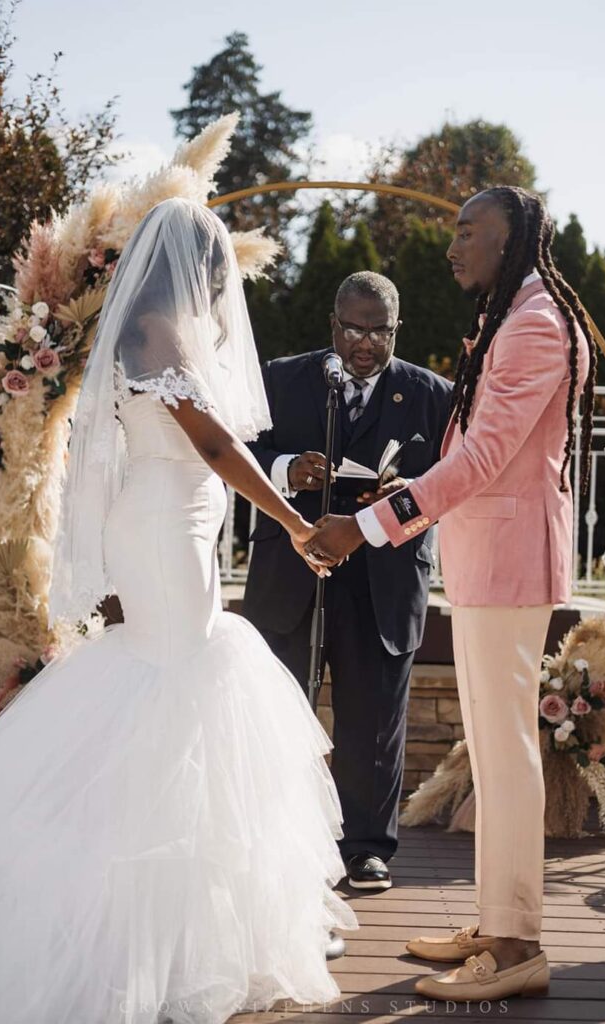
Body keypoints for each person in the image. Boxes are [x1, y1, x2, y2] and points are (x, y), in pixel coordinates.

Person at [0, 197, 357, 1024]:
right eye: (216, 272)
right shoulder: (165, 331)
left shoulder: (142, 327)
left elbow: (204, 450)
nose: (221, 288)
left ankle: (185, 933)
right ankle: (149, 943)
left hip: (170, 522)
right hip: (166, 529)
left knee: (173, 689)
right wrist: (291, 525)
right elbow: (213, 444)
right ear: (195, 269)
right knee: (179, 691)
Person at [304, 187, 597, 1002]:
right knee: (496, 752)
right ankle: (496, 919)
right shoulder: (515, 315)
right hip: (484, 563)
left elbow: (484, 461)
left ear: (510, 242)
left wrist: (366, 525)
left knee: (506, 757)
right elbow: (468, 453)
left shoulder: (535, 323)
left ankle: (517, 947)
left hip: (509, 567)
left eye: (469, 232)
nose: (452, 245)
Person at [243, 271, 452, 891]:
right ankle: (279, 836)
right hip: (292, 570)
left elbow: (449, 479)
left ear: (396, 330)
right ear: (332, 324)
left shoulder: (431, 394)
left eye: (378, 331)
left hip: (384, 579)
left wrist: (401, 498)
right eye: (353, 328)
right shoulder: (282, 378)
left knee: (373, 716)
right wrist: (285, 469)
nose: (364, 343)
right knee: (281, 707)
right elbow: (234, 453)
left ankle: (365, 849)